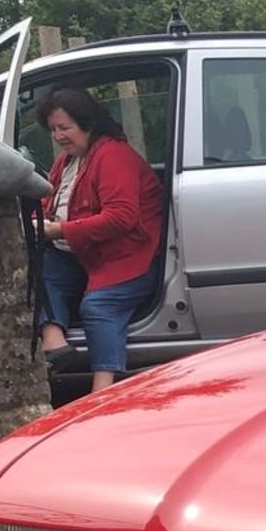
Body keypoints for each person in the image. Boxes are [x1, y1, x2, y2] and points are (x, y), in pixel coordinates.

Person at [34, 88, 163, 395]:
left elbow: (122, 217)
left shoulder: (113, 156)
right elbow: (48, 202)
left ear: (87, 123)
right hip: (86, 255)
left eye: (64, 128)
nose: (58, 136)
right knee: (36, 268)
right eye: (53, 129)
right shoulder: (66, 162)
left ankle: (103, 391)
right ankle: (55, 342)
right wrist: (39, 223)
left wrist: (60, 230)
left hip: (129, 258)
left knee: (98, 306)